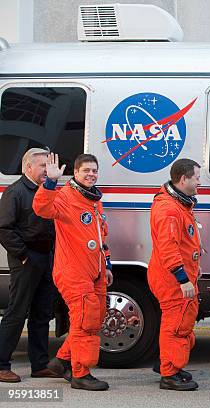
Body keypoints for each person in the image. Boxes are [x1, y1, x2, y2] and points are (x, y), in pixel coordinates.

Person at [33, 153, 112, 391]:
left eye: (94, 171)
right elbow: (42, 208)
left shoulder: (94, 200)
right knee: (85, 319)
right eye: (86, 170)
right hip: (73, 270)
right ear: (76, 173)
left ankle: (61, 361)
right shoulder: (66, 196)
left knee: (94, 319)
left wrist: (106, 265)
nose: (91, 174)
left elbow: (100, 237)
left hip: (95, 270)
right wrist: (50, 183)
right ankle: (80, 373)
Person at [0, 148, 59, 382]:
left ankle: (40, 364)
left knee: (42, 313)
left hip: (46, 259)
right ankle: (2, 364)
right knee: (17, 312)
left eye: (48, 165)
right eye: (43, 166)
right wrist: (24, 256)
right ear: (28, 167)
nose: (47, 170)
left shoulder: (47, 191)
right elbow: (4, 228)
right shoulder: (15, 192)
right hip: (26, 259)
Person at [147, 158, 202, 391]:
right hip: (171, 278)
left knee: (181, 323)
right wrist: (182, 278)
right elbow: (168, 247)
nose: (200, 183)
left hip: (177, 275)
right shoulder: (169, 209)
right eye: (197, 178)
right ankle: (169, 374)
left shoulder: (179, 205)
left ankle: (169, 364)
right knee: (175, 325)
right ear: (183, 179)